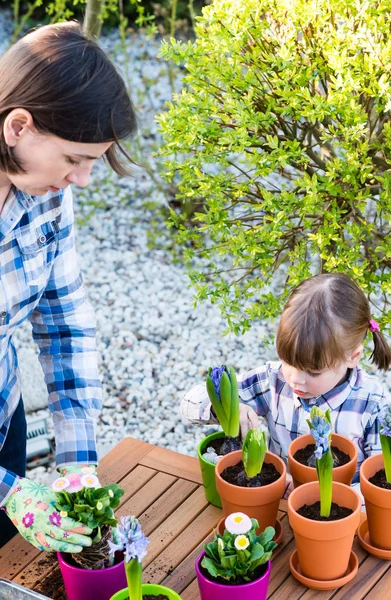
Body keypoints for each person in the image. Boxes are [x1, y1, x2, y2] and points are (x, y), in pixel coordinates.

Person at [0, 22, 136, 550]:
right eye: (74, 158)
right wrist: (11, 493)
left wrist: (78, 461)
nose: (82, 179)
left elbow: (65, 325)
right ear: (18, 127)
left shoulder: (45, 190)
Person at [182, 273, 391, 494]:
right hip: (275, 504)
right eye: (288, 362)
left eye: (313, 372)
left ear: (353, 356)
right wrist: (231, 409)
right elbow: (189, 404)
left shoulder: (373, 404)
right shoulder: (273, 381)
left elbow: (383, 485)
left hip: (337, 518)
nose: (295, 378)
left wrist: (321, 494)